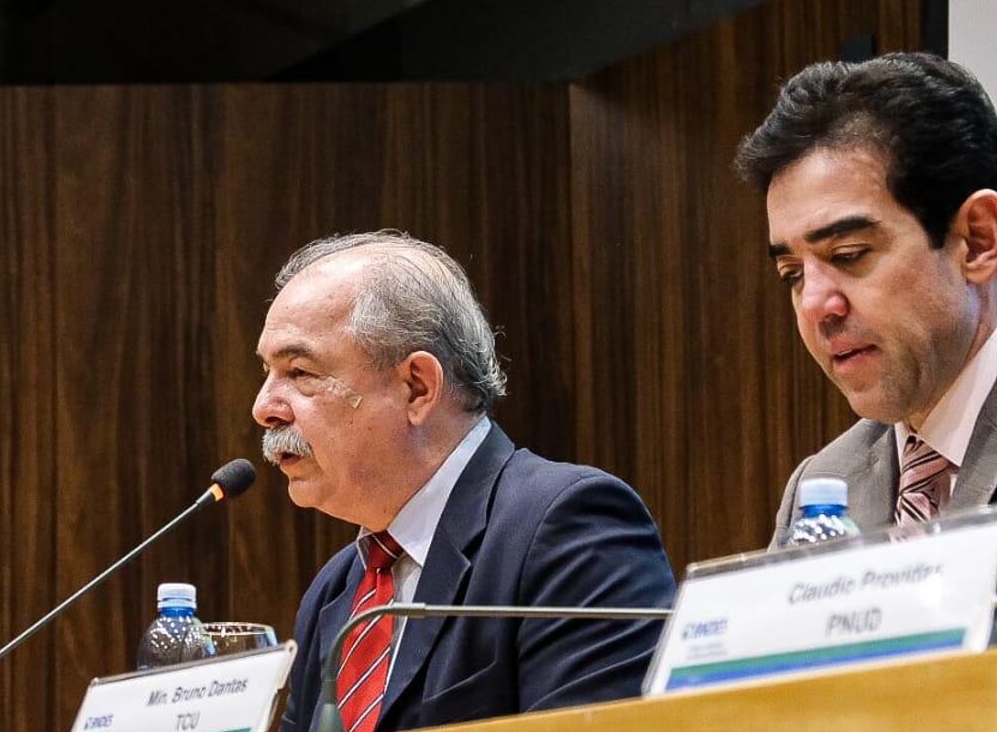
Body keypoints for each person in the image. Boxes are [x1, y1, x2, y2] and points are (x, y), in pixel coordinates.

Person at [255, 231, 674, 732]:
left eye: (299, 372)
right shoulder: (336, 591)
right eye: (267, 372)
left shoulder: (567, 526)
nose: (263, 408)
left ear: (417, 387)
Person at [736, 52, 997, 546]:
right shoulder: (823, 486)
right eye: (791, 273)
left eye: (850, 254)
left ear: (978, 240)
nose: (815, 306)